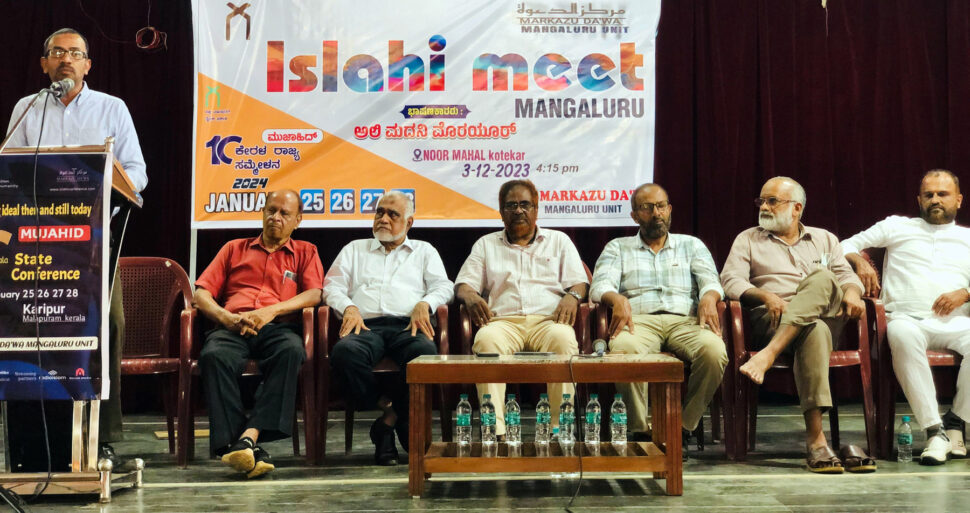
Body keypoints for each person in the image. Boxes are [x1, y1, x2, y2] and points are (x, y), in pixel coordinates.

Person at [5, 28, 147, 466]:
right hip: (36, 244)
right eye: (57, 52)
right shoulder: (27, 108)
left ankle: (100, 436)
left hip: (94, 241)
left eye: (75, 53)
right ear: (43, 63)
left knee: (107, 326)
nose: (65, 58)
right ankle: (35, 439)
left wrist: (103, 191)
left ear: (88, 64)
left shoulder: (111, 108)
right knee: (34, 329)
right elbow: (8, 170)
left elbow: (137, 173)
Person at [720, 176, 869, 473]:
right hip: (773, 319)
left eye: (772, 201)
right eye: (761, 201)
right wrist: (766, 296)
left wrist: (853, 293)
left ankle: (769, 355)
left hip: (827, 315)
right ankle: (816, 440)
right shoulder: (747, 239)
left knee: (822, 277)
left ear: (796, 208)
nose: (764, 207)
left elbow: (846, 277)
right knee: (814, 330)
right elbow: (731, 280)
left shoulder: (824, 239)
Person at [842, 169, 970, 465]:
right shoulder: (897, 226)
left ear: (959, 200)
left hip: (957, 322)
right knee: (900, 334)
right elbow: (843, 245)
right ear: (919, 200)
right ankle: (935, 431)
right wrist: (859, 260)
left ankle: (956, 419)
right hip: (906, 319)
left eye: (943, 194)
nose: (935, 200)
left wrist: (965, 293)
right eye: (929, 195)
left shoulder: (967, 237)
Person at [193, 190, 323, 478]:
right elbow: (201, 294)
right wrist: (226, 317)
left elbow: (314, 294)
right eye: (271, 210)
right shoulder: (233, 248)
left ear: (298, 220)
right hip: (233, 325)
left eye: (284, 213)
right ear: (262, 213)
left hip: (277, 328)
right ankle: (246, 446)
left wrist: (272, 311)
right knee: (213, 356)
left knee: (292, 352)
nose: (276, 217)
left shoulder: (306, 251)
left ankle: (247, 437)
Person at [589, 183, 727, 452]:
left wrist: (710, 297)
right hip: (639, 322)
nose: (656, 213)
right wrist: (616, 299)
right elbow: (599, 285)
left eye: (661, 206)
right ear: (634, 215)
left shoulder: (691, 245)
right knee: (624, 350)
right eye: (647, 207)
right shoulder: (618, 247)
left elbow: (711, 281)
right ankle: (640, 430)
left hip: (685, 321)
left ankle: (683, 428)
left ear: (669, 209)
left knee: (714, 352)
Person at [325, 191, 454, 465]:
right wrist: (348, 307)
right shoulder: (354, 249)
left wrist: (425, 303)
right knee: (344, 353)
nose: (383, 219)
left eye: (392, 214)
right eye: (379, 212)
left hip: (407, 326)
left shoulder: (424, 251)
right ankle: (391, 413)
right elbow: (331, 286)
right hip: (365, 326)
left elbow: (444, 287)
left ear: (409, 223)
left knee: (424, 354)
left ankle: (386, 425)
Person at [455, 179, 589, 438]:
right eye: (511, 205)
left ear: (536, 209)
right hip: (503, 323)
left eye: (525, 204)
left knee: (564, 340)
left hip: (548, 321)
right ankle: (495, 431)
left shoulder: (559, 241)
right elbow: (463, 285)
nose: (518, 210)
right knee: (486, 342)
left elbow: (580, 283)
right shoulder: (486, 244)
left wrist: (572, 296)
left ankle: (560, 429)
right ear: (501, 211)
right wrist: (470, 296)